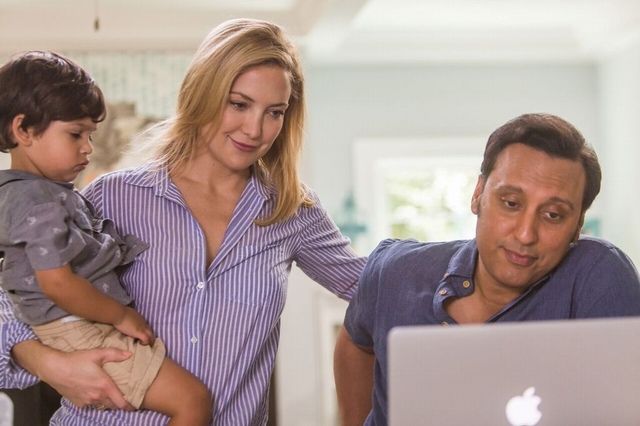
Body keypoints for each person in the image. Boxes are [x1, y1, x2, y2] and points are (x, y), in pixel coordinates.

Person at [0, 19, 366, 425]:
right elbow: (14, 291)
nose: (254, 129)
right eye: (238, 104)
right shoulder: (111, 197)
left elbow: (375, 288)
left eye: (274, 112)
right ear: (202, 94)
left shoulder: (292, 211)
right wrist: (48, 363)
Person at [334, 113, 640, 426]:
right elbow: (356, 342)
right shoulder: (394, 270)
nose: (525, 235)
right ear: (478, 194)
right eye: (511, 203)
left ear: (577, 226)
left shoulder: (598, 276)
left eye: (552, 215)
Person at [0, 51, 212, 425]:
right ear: (24, 130)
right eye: (75, 134)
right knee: (193, 401)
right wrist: (121, 315)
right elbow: (58, 283)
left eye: (90, 135)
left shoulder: (27, 193)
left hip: (72, 326)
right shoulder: (38, 201)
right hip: (77, 328)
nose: (88, 147)